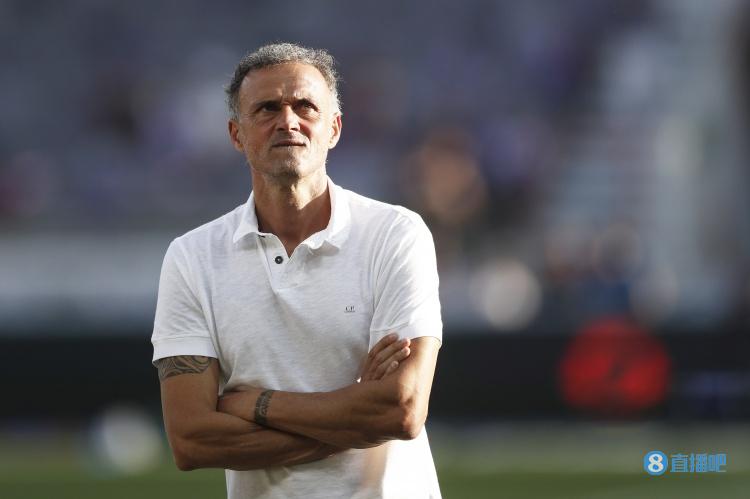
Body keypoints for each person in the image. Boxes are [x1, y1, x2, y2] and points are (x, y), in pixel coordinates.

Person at [151, 42, 443, 498]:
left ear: (334, 128)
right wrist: (355, 418)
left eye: (305, 106)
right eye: (267, 108)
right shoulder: (192, 257)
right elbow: (191, 440)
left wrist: (256, 404)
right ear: (236, 134)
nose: (288, 121)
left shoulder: (395, 235)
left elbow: (401, 410)